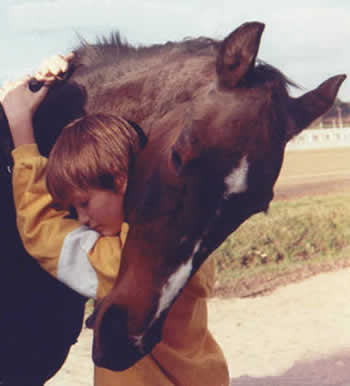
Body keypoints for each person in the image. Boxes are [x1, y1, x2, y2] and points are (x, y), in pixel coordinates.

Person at [2, 55, 229, 385]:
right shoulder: (187, 233)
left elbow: (41, 231)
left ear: (120, 180)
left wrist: (21, 130)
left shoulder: (127, 262)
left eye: (83, 203)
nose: (81, 220)